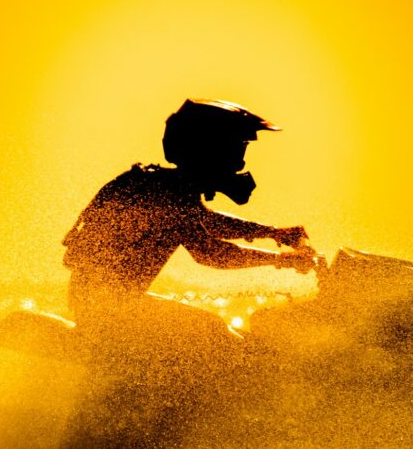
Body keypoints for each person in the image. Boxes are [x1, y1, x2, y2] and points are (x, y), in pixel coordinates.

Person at [62, 99, 317, 336]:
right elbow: (209, 252)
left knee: (211, 330)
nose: (239, 164)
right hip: (108, 314)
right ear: (209, 150)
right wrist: (282, 260)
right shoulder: (165, 194)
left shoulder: (164, 185)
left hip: (105, 306)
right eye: (236, 150)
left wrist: (273, 232)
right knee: (213, 333)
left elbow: (208, 222)